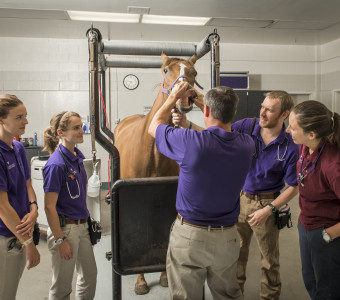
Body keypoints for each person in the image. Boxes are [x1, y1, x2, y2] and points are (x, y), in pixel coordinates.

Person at [173, 90, 299, 299]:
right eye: (262, 107)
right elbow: (214, 135)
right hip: (238, 200)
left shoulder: (290, 146)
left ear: (284, 115)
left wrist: (269, 210)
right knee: (235, 257)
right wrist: (186, 124)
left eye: (269, 110)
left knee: (270, 261)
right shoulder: (247, 126)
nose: (263, 113)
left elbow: (294, 186)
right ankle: (236, 293)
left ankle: (270, 297)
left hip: (267, 204)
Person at [149, 83, 254, 300]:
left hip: (190, 236)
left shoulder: (190, 143)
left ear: (206, 111)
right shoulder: (246, 144)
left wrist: (173, 97)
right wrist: (193, 115)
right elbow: (219, 136)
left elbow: (154, 126)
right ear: (234, 112)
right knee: (228, 295)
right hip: (228, 238)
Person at [286, 100, 340, 300]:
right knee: (311, 282)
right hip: (306, 225)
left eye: (293, 127)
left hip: (327, 233)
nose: (287, 130)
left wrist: (329, 234)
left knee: (328, 290)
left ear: (311, 133)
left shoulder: (332, 165)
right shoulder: (305, 145)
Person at [43, 111, 97, 300]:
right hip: (65, 230)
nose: (81, 130)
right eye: (76, 127)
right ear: (61, 132)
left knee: (89, 275)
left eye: (81, 126)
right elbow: (49, 207)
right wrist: (60, 240)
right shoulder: (56, 164)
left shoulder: (77, 158)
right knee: (62, 287)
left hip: (82, 227)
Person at [0, 94, 40, 300]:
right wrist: (29, 245)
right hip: (7, 236)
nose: (25, 121)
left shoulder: (17, 148)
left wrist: (34, 209)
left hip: (22, 231)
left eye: (25, 116)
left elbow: (27, 183)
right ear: (1, 120)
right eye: (18, 117)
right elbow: (3, 207)